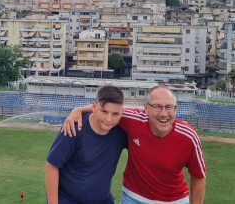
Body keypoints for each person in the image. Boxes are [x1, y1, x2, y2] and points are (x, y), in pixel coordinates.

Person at [63, 85, 206, 204]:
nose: (163, 113)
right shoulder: (133, 120)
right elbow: (107, 108)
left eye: (169, 107)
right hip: (133, 198)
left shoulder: (188, 136)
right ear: (146, 108)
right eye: (157, 106)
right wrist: (78, 110)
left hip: (174, 200)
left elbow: (199, 176)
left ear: (176, 109)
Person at [46, 85, 128, 204]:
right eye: (104, 111)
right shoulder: (74, 128)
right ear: (94, 107)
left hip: (103, 200)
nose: (109, 119)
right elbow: (52, 164)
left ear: (122, 112)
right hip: (67, 199)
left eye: (115, 114)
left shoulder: (122, 130)